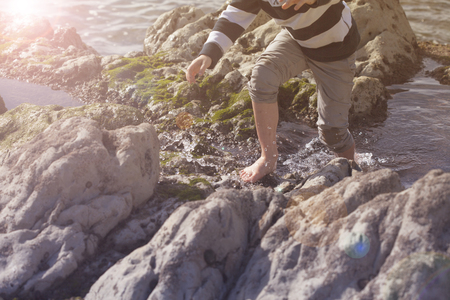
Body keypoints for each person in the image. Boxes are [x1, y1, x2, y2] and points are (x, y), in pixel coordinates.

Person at [186, 0, 360, 183]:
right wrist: (209, 52)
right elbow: (235, 14)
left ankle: (351, 169)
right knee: (262, 75)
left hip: (336, 49)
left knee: (332, 132)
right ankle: (268, 157)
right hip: (297, 40)